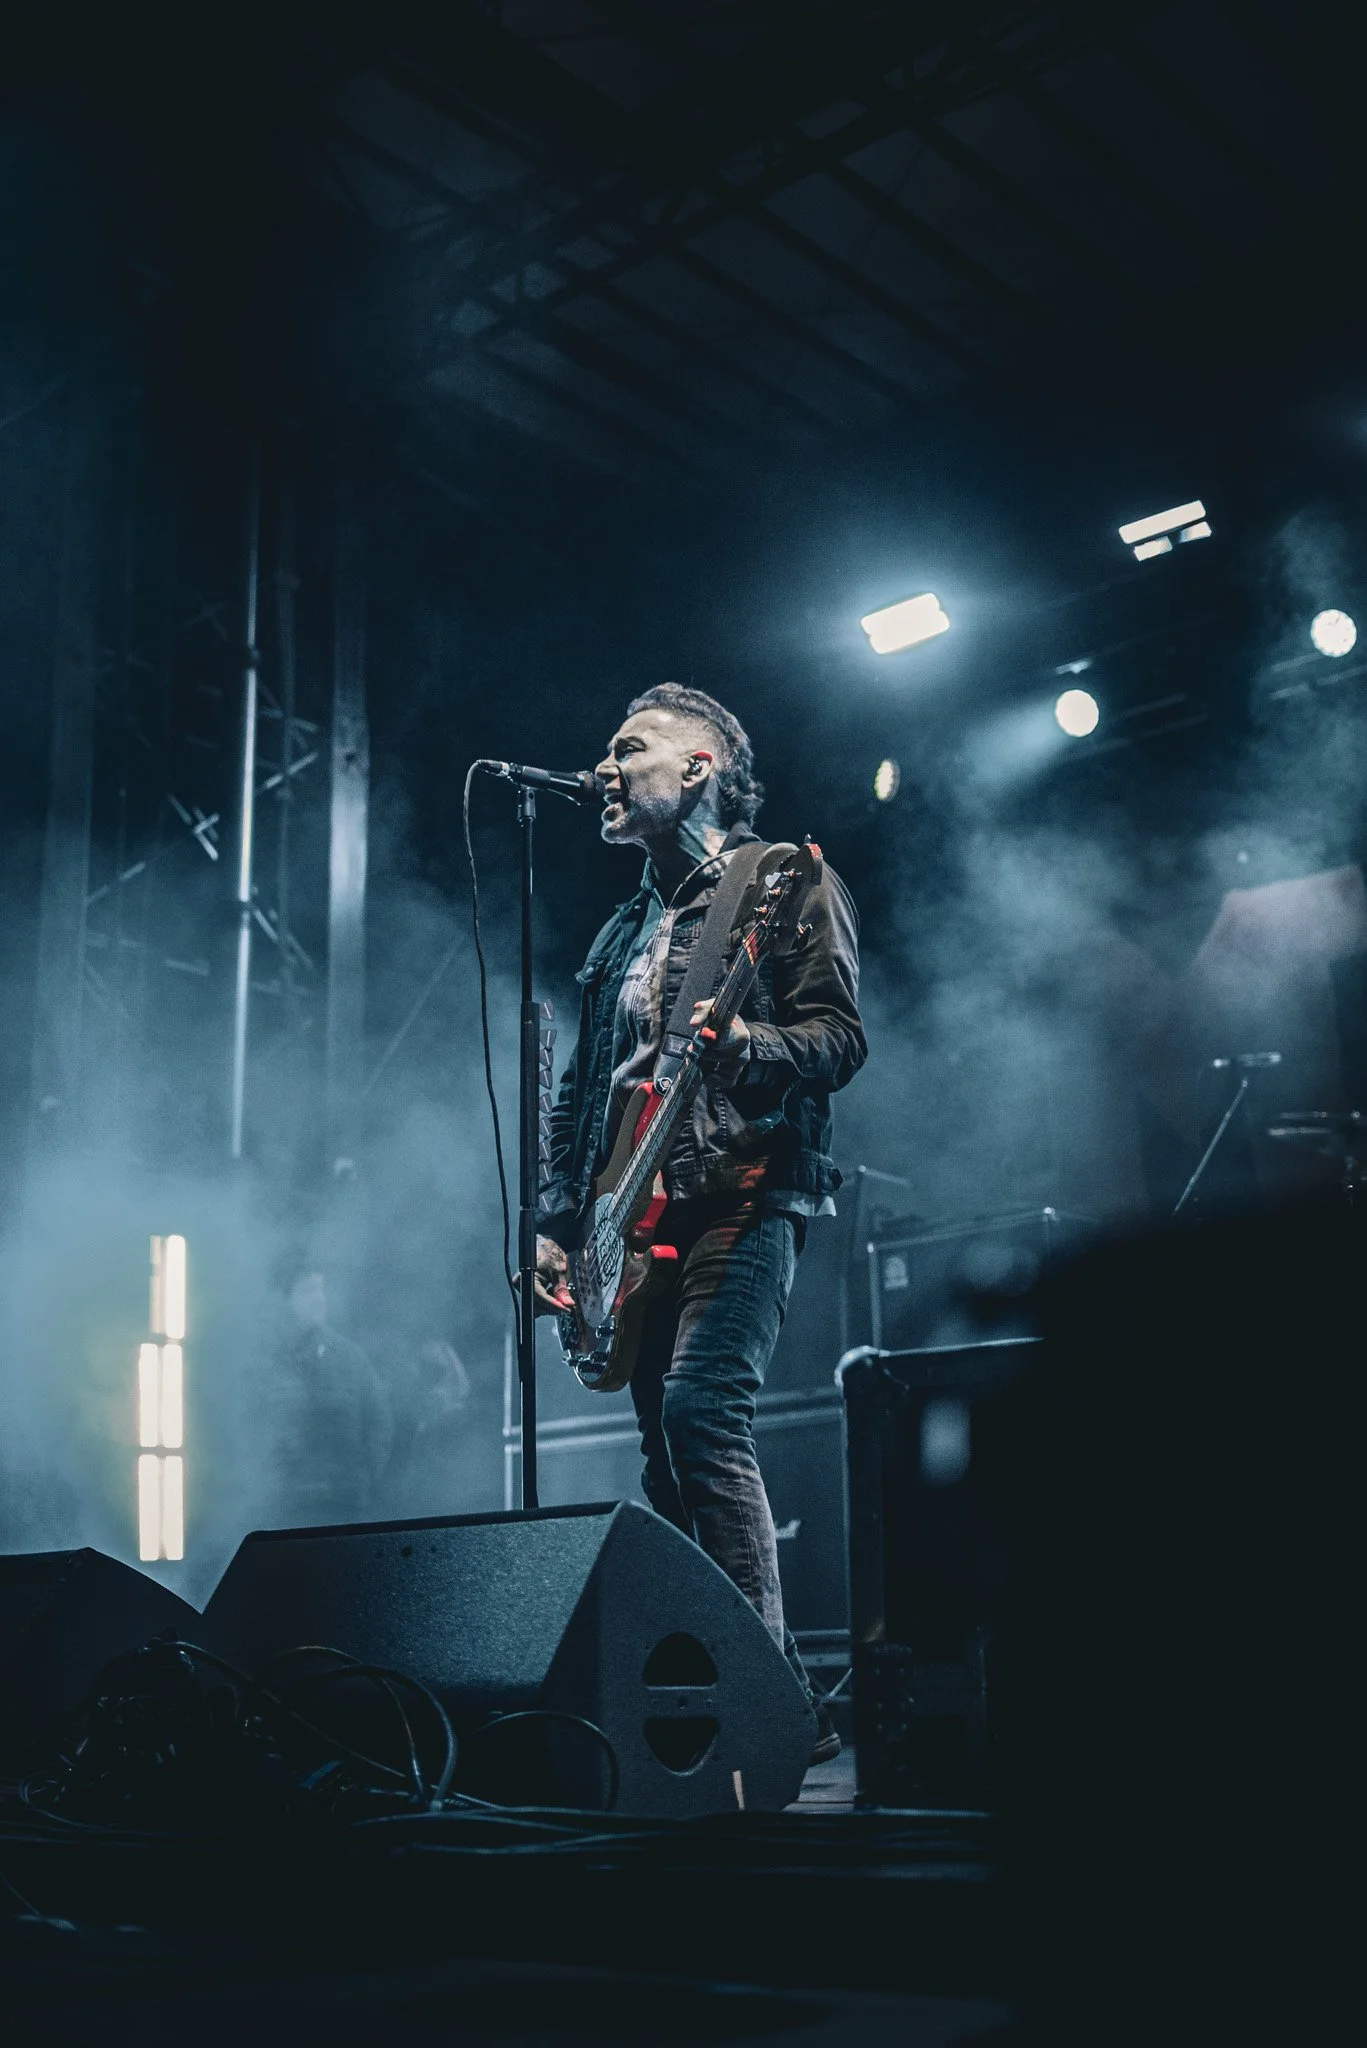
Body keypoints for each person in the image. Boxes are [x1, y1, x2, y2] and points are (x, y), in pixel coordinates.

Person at [536, 683, 866, 1763]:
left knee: (697, 1416)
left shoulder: (781, 883)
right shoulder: (622, 925)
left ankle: (769, 1701)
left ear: (699, 766)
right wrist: (555, 1221)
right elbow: (584, 1084)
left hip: (744, 1184)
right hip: (623, 1221)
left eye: (627, 746)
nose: (603, 764)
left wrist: (742, 1051)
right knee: (659, 1459)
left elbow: (835, 1036)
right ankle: (716, 1693)